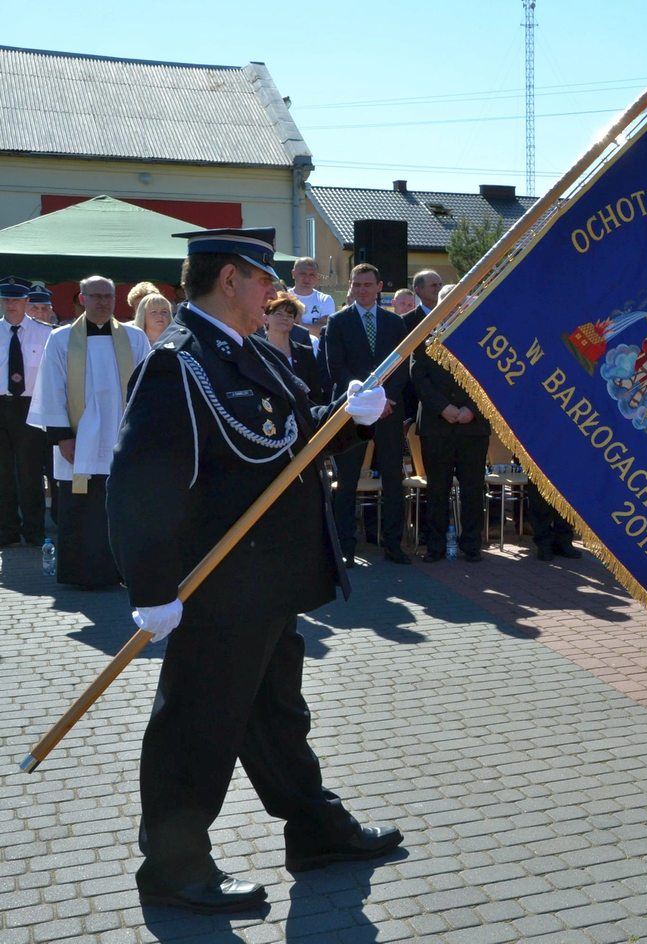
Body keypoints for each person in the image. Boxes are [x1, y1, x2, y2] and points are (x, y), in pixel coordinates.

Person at [107, 226, 401, 914]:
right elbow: (139, 485)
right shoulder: (179, 364)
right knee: (196, 725)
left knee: (276, 715)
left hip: (268, 584)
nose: (274, 291)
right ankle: (174, 866)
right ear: (229, 279)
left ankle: (314, 829)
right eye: (262, 278)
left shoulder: (251, 353)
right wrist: (151, 591)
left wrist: (350, 415)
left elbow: (292, 439)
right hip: (216, 585)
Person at [27, 275, 150, 587]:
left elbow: (147, 389)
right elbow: (52, 389)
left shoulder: (135, 339)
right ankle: (83, 574)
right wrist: (62, 437)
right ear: (81, 299)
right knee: (82, 507)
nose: (102, 302)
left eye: (107, 296)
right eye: (95, 296)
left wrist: (141, 436)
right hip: (78, 439)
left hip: (120, 437)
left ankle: (122, 571)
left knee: (121, 506)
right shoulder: (61, 338)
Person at [323, 263, 412, 564]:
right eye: (356, 285)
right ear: (351, 287)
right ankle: (345, 548)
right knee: (346, 482)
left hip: (388, 412)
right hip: (351, 413)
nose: (362, 290)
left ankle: (392, 545)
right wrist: (366, 402)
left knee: (392, 478)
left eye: (367, 284)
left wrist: (384, 401)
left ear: (379, 287)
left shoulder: (395, 323)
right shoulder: (337, 322)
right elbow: (336, 369)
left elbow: (402, 366)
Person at [409, 282, 489, 563]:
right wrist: (443, 408)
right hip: (436, 424)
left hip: (473, 425)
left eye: (459, 302)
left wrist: (471, 409)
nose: (454, 307)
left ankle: (471, 546)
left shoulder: (483, 336)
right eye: (448, 302)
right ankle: (435, 547)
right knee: (437, 489)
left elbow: (490, 378)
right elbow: (418, 377)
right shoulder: (422, 336)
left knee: (472, 488)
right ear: (439, 306)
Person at [0, 277, 51, 546]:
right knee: (3, 473)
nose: (11, 305)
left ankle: (34, 530)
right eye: (6, 299)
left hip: (30, 407)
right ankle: (7, 530)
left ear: (26, 302)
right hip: (1, 405)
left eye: (16, 300)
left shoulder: (45, 333)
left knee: (30, 472)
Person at [264, 292, 326, 404]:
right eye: (279, 314)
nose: (285, 318)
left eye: (289, 315)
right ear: (266, 318)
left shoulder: (305, 353)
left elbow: (316, 393)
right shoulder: (257, 352)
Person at [289, 256, 336, 332]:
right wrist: (315, 326)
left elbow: (326, 331)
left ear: (317, 276)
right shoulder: (284, 297)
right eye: (303, 274)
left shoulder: (325, 300)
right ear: (293, 274)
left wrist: (299, 324)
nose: (307, 279)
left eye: (312, 275)